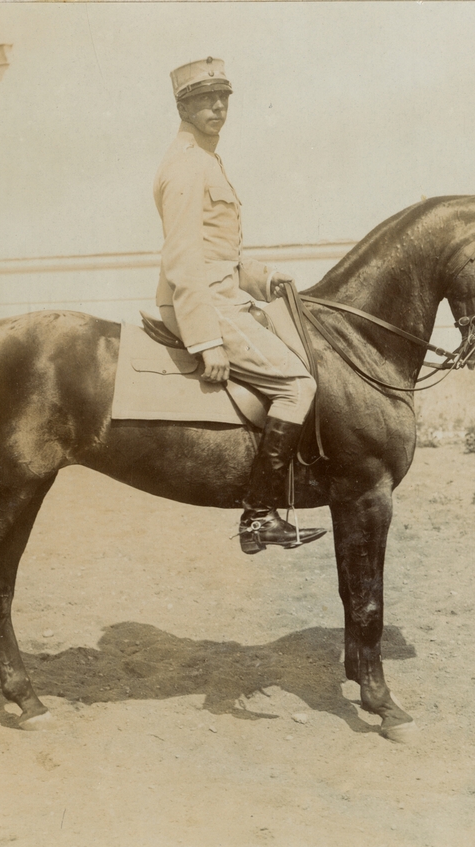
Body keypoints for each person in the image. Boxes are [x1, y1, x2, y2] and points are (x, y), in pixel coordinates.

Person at [154, 57, 326, 555]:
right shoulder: (187, 166)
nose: (217, 106)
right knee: (298, 385)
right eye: (204, 99)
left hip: (221, 295)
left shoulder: (207, 161)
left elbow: (218, 253)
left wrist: (263, 277)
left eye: (223, 97)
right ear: (183, 107)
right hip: (205, 305)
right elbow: (183, 259)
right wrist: (206, 340)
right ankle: (258, 515)